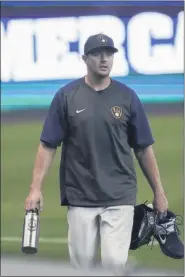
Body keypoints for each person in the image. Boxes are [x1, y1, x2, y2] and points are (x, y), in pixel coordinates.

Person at [24, 33, 168, 276]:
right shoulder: (66, 96)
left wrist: (159, 192)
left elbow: (143, 148)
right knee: (82, 267)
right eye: (98, 54)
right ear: (85, 58)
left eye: (109, 54)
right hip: (80, 196)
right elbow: (48, 145)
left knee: (113, 264)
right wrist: (35, 188)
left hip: (120, 195)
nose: (105, 59)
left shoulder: (127, 97)